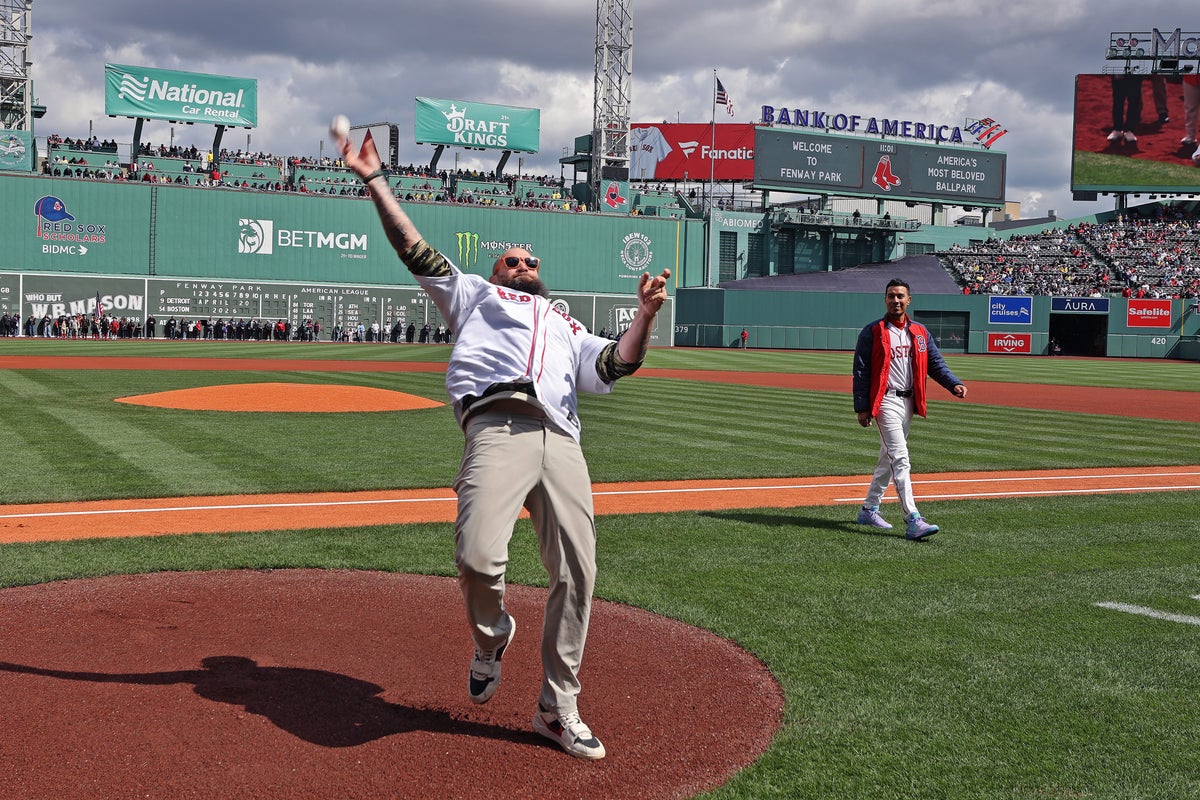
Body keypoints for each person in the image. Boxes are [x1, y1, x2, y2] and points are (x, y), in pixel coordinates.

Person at [337, 127, 670, 760]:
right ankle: (491, 638)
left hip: (562, 439)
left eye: (531, 263)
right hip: (497, 427)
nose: (523, 267)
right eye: (512, 261)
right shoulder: (473, 295)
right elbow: (414, 248)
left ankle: (557, 707)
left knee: (577, 573)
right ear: (495, 271)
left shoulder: (565, 320)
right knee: (477, 556)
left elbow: (612, 368)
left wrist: (644, 318)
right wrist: (375, 180)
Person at [852, 278, 967, 540]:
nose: (896, 300)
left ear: (909, 300)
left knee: (888, 459)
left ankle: (869, 509)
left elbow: (935, 363)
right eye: (891, 296)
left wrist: (954, 384)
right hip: (885, 401)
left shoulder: (919, 332)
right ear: (885, 300)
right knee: (900, 458)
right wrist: (862, 407)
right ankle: (913, 518)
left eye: (900, 296)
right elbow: (861, 370)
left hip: (908, 402)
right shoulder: (873, 331)